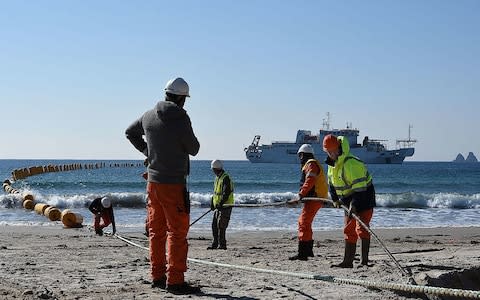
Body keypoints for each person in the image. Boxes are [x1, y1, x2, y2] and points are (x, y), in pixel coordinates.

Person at [125, 77, 201, 294]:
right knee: (177, 232)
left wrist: (148, 151)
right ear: (181, 98)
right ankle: (175, 280)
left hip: (153, 183)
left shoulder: (148, 115)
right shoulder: (181, 118)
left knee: (156, 231)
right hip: (174, 184)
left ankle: (157, 276)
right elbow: (194, 148)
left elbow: (130, 132)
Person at [323, 134, 376, 268]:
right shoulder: (331, 164)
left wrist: (355, 204)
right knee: (348, 229)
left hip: (364, 196)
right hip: (347, 199)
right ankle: (348, 262)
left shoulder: (351, 163)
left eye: (332, 151)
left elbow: (360, 188)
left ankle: (364, 261)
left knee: (362, 228)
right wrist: (335, 199)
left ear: (338, 148)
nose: (331, 154)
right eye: (328, 152)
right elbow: (331, 183)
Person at [289, 144, 328, 261]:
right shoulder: (312, 163)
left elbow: (310, 181)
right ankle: (308, 251)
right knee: (306, 223)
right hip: (315, 198)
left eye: (300, 156)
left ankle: (303, 253)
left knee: (303, 222)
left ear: (302, 155)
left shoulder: (310, 164)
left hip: (314, 198)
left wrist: (301, 194)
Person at [207, 159, 234, 250]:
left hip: (225, 206)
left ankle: (222, 245)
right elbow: (215, 193)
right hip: (218, 206)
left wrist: (220, 203)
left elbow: (226, 193)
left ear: (215, 169)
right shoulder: (218, 178)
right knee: (214, 225)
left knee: (221, 226)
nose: (212, 171)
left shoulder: (225, 178)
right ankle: (215, 244)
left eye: (213, 169)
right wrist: (212, 203)